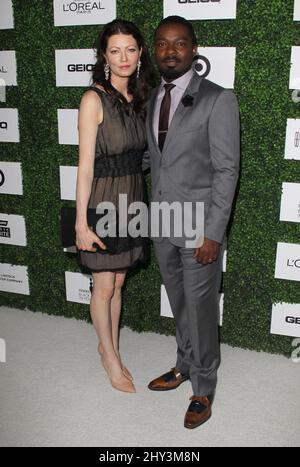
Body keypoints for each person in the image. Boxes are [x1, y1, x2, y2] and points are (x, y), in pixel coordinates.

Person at [143, 16, 240, 427]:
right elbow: (155, 159)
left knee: (200, 306)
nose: (170, 51)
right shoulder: (150, 98)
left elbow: (226, 170)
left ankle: (203, 387)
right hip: (163, 219)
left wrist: (213, 232)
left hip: (199, 226)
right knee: (179, 300)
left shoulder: (218, 99)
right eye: (163, 44)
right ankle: (184, 362)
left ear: (194, 50)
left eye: (179, 43)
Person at [75, 20, 153, 393]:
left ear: (140, 54)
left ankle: (111, 346)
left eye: (131, 49)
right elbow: (86, 165)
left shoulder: (139, 98)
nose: (123, 58)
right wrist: (81, 223)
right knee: (103, 285)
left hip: (133, 197)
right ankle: (108, 355)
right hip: (104, 200)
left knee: (119, 282)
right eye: (115, 50)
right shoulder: (93, 99)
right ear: (103, 56)